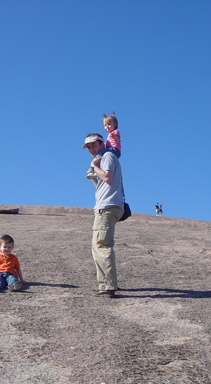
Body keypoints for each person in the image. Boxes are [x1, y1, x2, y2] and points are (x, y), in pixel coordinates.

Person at [83, 133, 125, 298]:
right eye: (88, 147)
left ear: (102, 143)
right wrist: (93, 175)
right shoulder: (104, 158)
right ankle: (107, 283)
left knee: (101, 245)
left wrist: (95, 168)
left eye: (93, 145)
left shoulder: (107, 155)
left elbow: (107, 177)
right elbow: (101, 185)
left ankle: (108, 285)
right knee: (99, 245)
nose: (91, 149)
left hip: (107, 207)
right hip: (108, 205)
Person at [87, 112, 122, 179]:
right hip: (112, 149)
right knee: (102, 156)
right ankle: (95, 172)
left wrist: (114, 137)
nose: (107, 126)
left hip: (115, 150)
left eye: (109, 124)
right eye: (105, 125)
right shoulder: (110, 134)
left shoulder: (115, 132)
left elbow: (117, 141)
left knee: (100, 153)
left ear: (115, 124)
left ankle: (93, 168)